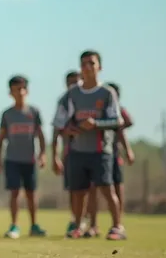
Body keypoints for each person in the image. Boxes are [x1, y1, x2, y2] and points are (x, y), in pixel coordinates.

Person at [52, 51, 126, 240]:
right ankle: (77, 226)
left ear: (99, 67)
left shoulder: (107, 93)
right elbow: (59, 121)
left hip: (100, 150)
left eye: (91, 63)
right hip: (77, 150)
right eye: (83, 64)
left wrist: (97, 124)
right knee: (78, 192)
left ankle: (117, 227)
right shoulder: (72, 94)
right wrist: (68, 129)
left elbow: (117, 121)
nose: (87, 67)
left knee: (107, 189)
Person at [0, 75, 47, 239]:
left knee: (31, 193)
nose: (20, 92)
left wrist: (43, 154)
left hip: (29, 160)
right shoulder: (7, 114)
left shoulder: (34, 112)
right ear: (10, 92)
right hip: (12, 160)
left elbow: (40, 135)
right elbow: (1, 138)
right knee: (15, 193)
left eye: (23, 88)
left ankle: (34, 225)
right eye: (16, 89)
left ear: (27, 90)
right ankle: (14, 226)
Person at [81, 82, 135, 238]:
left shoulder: (117, 110)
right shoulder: (101, 109)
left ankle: (118, 224)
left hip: (114, 154)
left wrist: (128, 150)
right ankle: (93, 225)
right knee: (93, 189)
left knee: (115, 188)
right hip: (99, 152)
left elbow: (125, 124)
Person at [51, 71, 81, 235]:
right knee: (74, 189)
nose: (73, 85)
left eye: (76, 82)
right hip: (71, 152)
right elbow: (56, 130)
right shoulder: (63, 101)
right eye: (70, 82)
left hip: (93, 151)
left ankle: (91, 223)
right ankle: (76, 219)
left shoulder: (89, 98)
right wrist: (55, 156)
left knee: (91, 190)